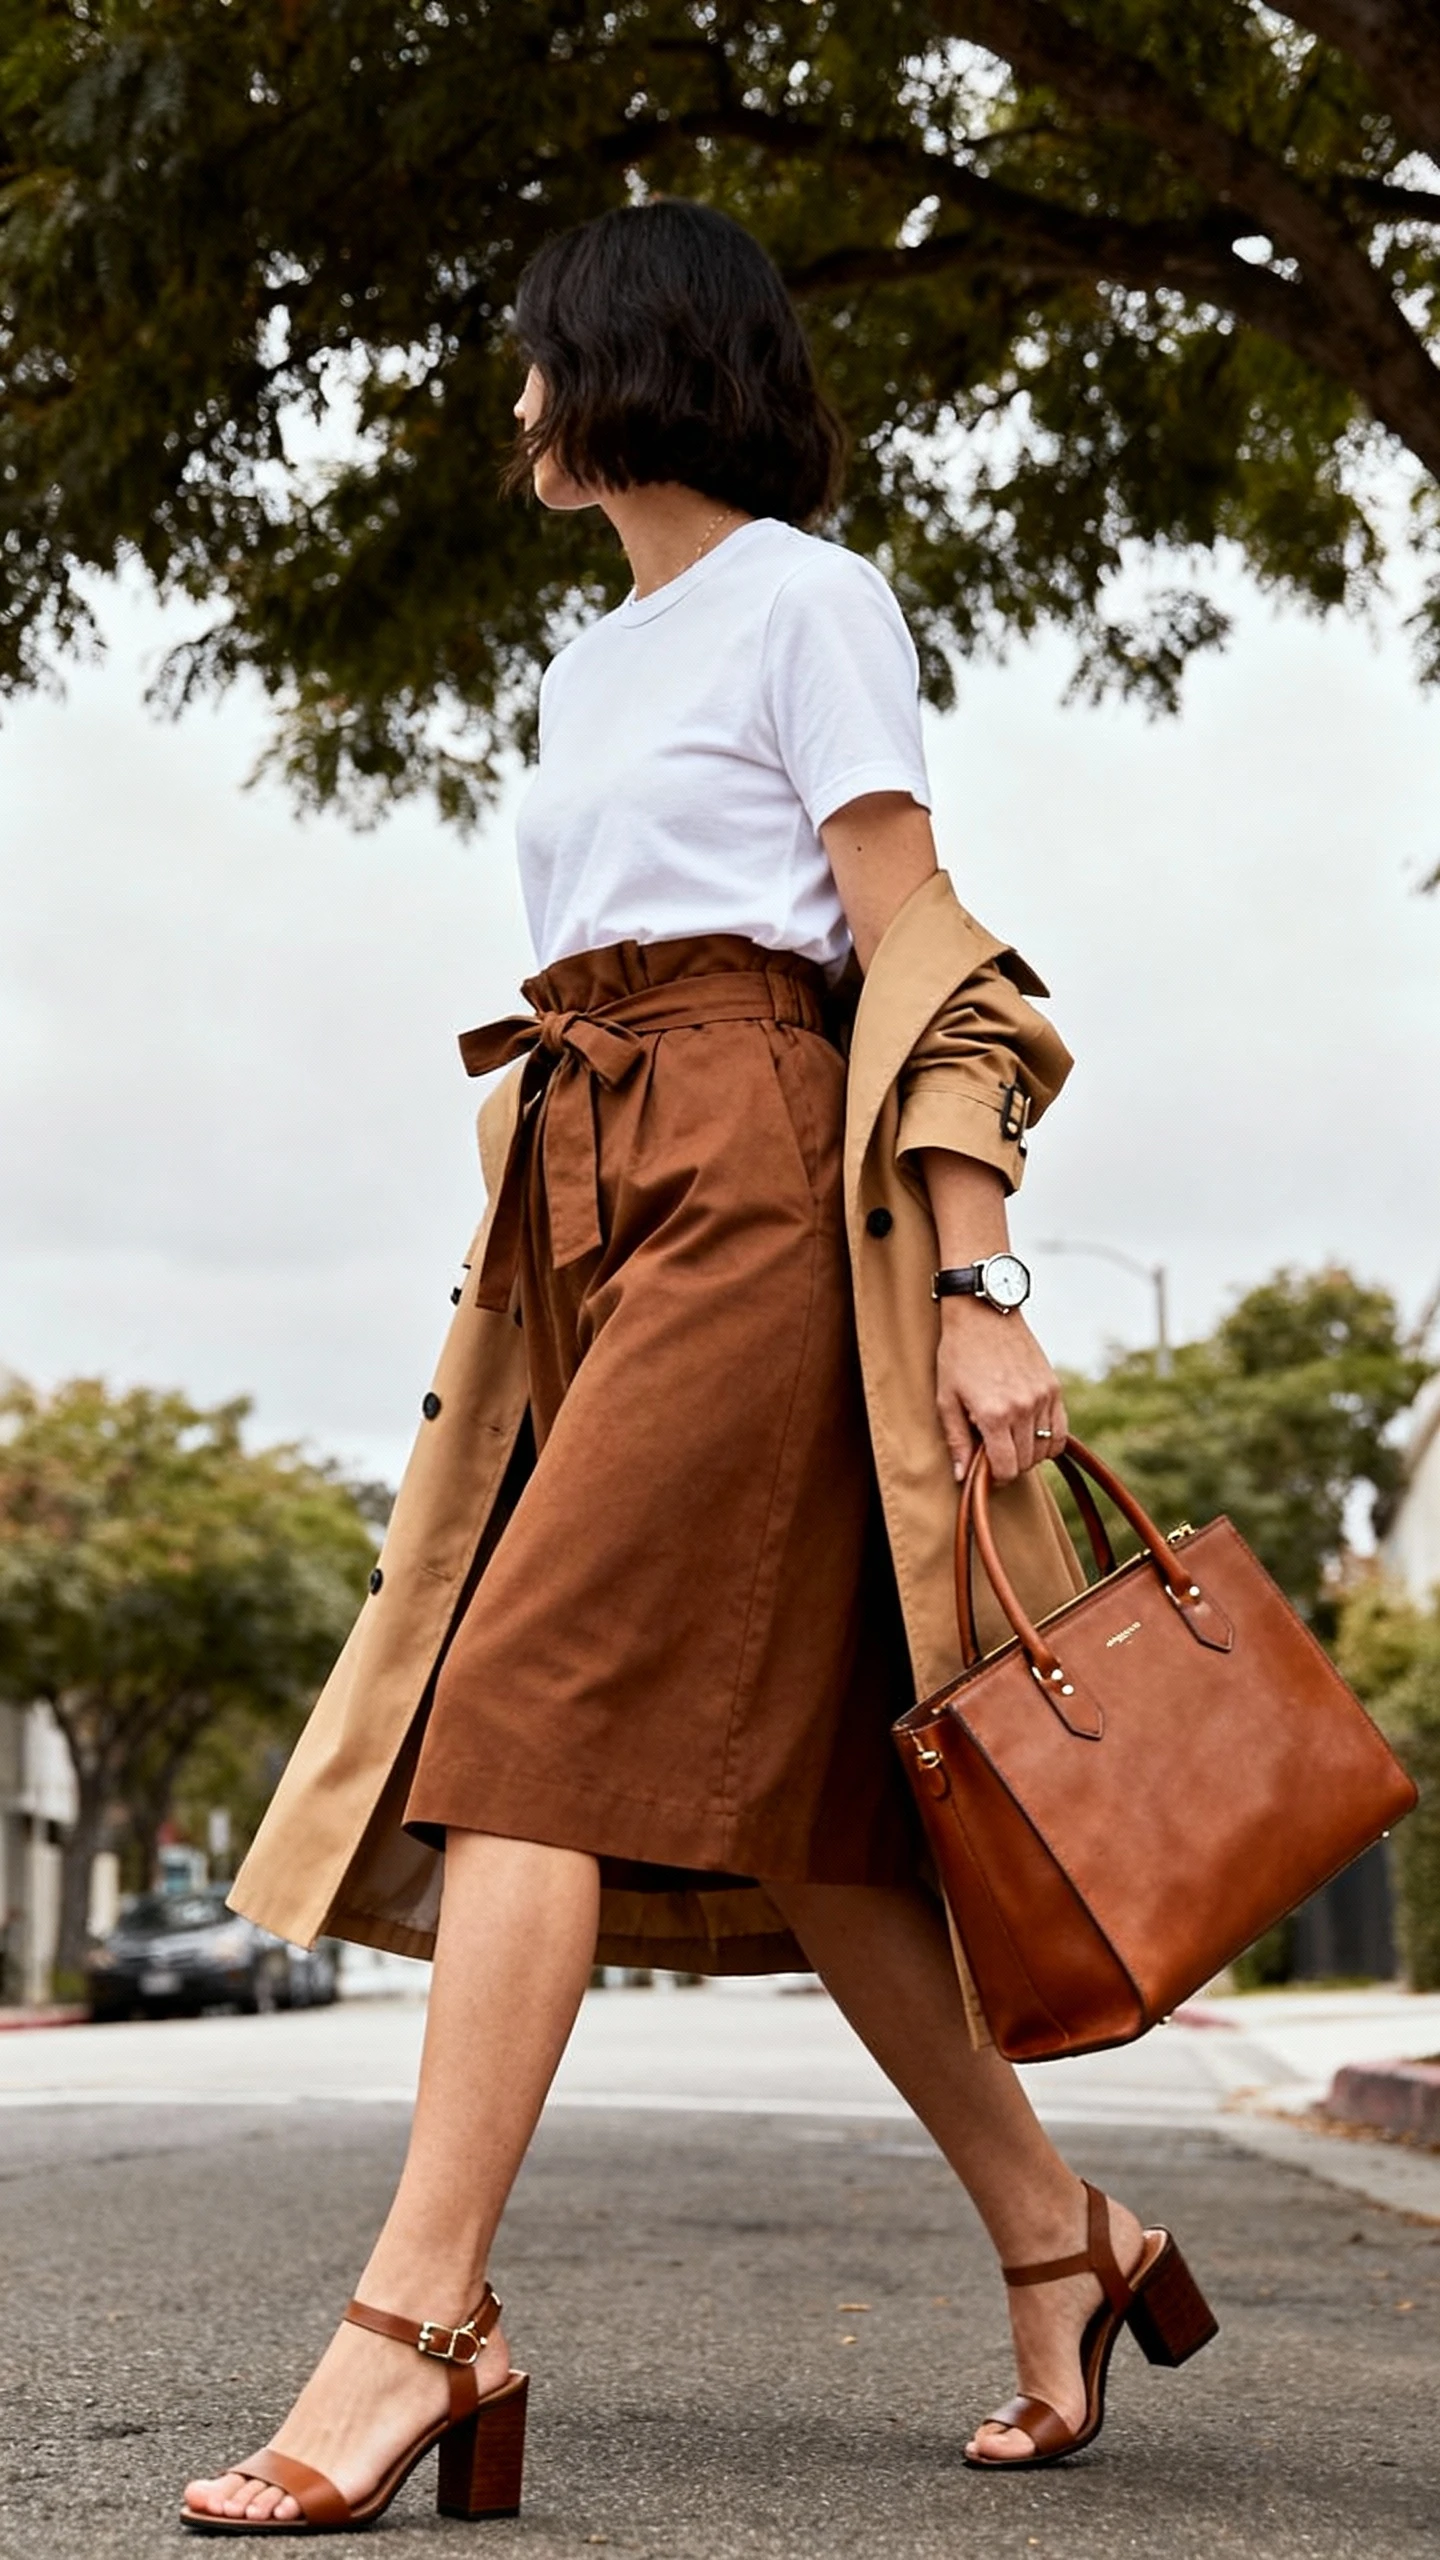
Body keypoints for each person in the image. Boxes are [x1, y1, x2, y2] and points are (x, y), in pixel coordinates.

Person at [181, 198, 1215, 2534]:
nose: (518, 403)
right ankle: (1069, 2241)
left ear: (633, 364)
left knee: (519, 1703)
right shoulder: (591, 660)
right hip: (588, 1178)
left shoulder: (807, 601)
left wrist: (979, 1278)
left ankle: (421, 2316)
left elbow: (918, 945)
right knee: (822, 1818)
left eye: (539, 358)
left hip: (760, 1167)